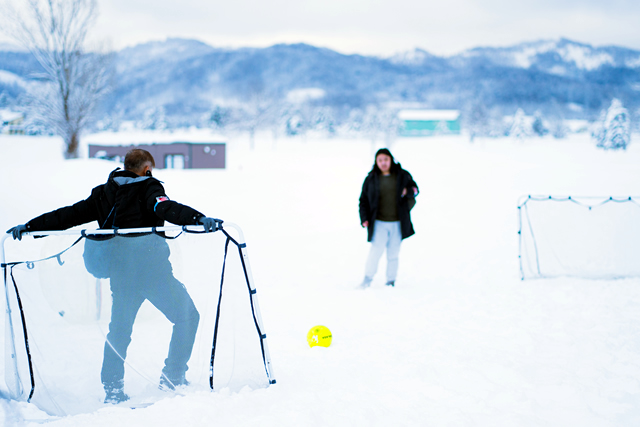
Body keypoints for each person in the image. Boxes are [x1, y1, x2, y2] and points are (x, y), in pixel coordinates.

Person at [6, 149, 222, 404]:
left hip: (123, 277)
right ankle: (173, 376)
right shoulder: (150, 187)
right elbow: (166, 208)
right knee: (187, 317)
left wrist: (31, 226)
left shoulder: (104, 192)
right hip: (155, 275)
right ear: (147, 169)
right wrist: (198, 219)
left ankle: (113, 389)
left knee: (119, 332)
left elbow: (69, 215)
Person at [358, 148, 418, 288]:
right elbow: (363, 200)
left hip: (398, 222)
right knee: (375, 252)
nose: (383, 163)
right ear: (376, 162)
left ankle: (391, 281)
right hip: (379, 222)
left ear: (391, 160)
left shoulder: (402, 175)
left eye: (385, 159)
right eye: (380, 160)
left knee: (393, 253)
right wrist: (364, 218)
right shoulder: (371, 179)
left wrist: (407, 191)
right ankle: (367, 279)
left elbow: (415, 190)